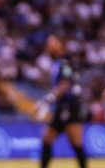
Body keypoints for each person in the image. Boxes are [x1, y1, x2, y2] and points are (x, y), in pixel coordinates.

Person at [36, 35, 88, 168]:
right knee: (47, 140)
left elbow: (66, 84)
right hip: (62, 106)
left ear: (60, 45)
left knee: (76, 143)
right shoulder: (57, 63)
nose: (48, 46)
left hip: (70, 106)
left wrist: (49, 98)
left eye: (51, 43)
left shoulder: (65, 62)